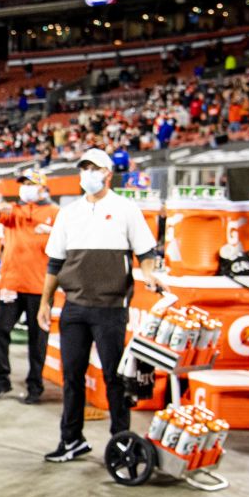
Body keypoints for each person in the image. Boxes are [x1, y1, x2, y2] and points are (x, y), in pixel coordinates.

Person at [37, 148, 161, 463]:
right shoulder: (69, 213)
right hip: (74, 307)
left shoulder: (126, 209)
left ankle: (121, 443)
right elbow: (55, 262)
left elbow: (146, 253)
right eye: (84, 168)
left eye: (94, 168)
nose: (88, 174)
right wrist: (45, 302)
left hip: (111, 308)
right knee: (73, 377)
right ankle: (71, 440)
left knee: (114, 379)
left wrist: (149, 276)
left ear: (107, 173)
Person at [0, 168, 59, 404]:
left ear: (42, 187)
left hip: (41, 287)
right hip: (11, 285)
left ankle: (35, 386)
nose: (25, 187)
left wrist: (52, 232)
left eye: (30, 183)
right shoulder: (13, 211)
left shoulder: (56, 213)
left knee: (38, 340)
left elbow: (67, 242)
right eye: (23, 183)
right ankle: (2, 380)